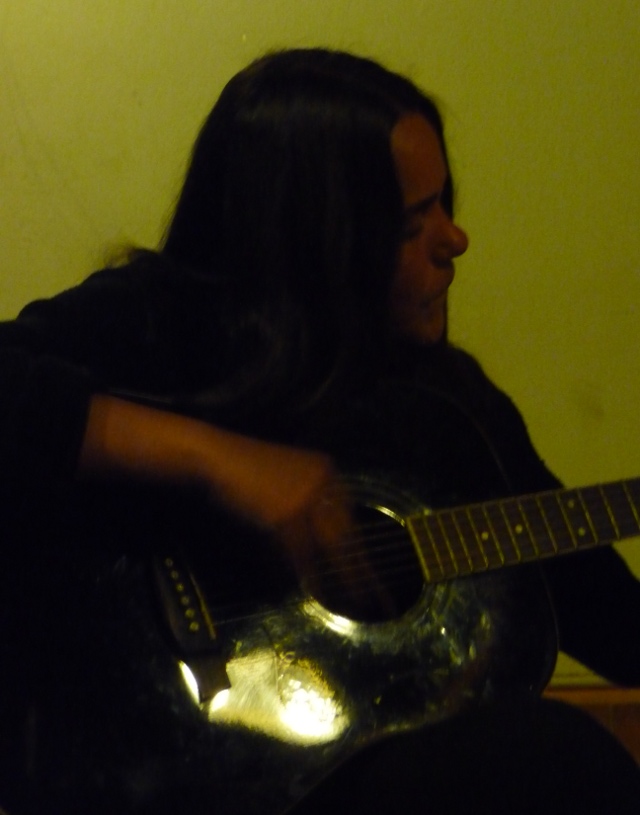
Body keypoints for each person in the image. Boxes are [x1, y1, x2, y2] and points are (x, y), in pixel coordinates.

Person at [0, 48, 638, 815]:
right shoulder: (162, 322)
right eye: (412, 223)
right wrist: (217, 460)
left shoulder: (451, 408)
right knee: (551, 755)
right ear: (317, 236)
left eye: (445, 202)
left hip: (330, 782)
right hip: (125, 761)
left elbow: (601, 605)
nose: (455, 238)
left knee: (553, 757)